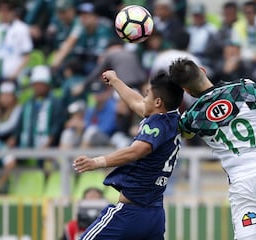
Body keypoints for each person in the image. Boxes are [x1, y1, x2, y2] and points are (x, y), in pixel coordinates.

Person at [169, 58, 256, 240]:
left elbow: (181, 134)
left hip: (240, 182)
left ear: (185, 89)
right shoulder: (245, 88)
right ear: (202, 70)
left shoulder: (191, 116)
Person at [73, 70, 184, 239]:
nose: (143, 98)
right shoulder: (173, 118)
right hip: (154, 214)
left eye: (147, 95)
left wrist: (96, 162)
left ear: (158, 102)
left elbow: (137, 150)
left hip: (130, 214)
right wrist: (116, 81)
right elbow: (137, 103)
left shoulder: (157, 124)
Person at [0, 0, 32, 88]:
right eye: (1, 11)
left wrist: (15, 74)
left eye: (7, 11)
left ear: (13, 12)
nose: (4, 14)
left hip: (11, 76)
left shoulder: (22, 28)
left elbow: (26, 55)